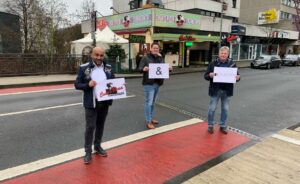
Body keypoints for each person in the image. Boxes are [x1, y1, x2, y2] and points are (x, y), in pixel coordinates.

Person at [74, 47, 115, 164]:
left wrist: (120, 85)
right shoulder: (84, 68)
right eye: (96, 55)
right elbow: (77, 84)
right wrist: (88, 84)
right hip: (91, 103)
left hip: (105, 102)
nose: (99, 58)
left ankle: (97, 146)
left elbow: (112, 81)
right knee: (90, 127)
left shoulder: (108, 68)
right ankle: (87, 151)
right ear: (92, 55)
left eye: (101, 55)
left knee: (100, 125)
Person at [204, 46, 240, 134]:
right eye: (222, 53)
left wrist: (238, 77)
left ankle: (222, 125)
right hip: (215, 90)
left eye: (225, 53)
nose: (223, 55)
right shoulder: (213, 63)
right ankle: (210, 125)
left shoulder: (232, 64)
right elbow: (205, 76)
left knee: (225, 109)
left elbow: (237, 76)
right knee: (212, 109)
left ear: (228, 55)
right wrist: (210, 75)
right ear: (219, 54)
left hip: (227, 91)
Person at [139, 42, 172, 129]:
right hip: (148, 83)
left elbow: (163, 69)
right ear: (151, 49)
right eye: (154, 48)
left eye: (157, 48)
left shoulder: (160, 58)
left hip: (157, 83)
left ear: (159, 50)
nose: (155, 49)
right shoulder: (145, 58)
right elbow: (139, 68)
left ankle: (151, 117)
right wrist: (144, 69)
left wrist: (169, 69)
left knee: (153, 102)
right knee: (148, 102)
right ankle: (148, 121)